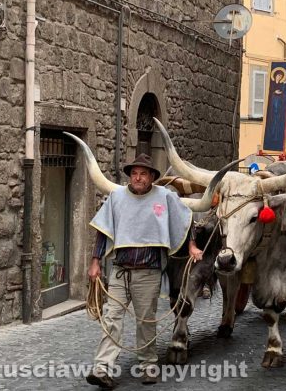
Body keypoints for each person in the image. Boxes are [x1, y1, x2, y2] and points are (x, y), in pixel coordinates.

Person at [85, 154, 203, 388]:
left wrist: (191, 246)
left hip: (148, 273)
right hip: (120, 271)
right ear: (131, 176)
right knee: (111, 319)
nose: (138, 178)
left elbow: (185, 219)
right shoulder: (116, 197)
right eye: (135, 173)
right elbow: (103, 230)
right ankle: (102, 368)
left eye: (143, 174)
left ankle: (148, 365)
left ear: (151, 177)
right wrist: (95, 261)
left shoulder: (165, 197)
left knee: (146, 321)